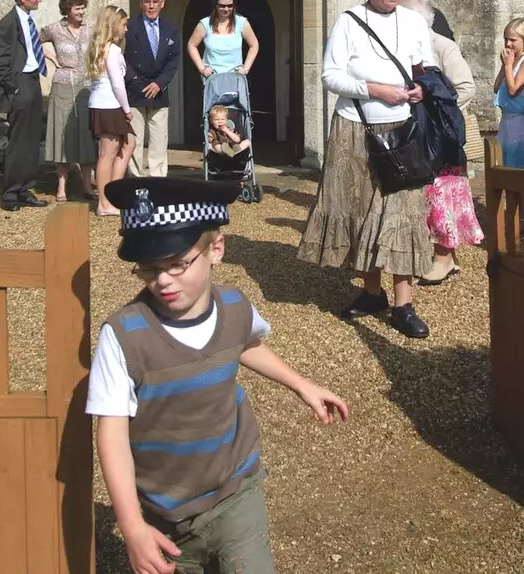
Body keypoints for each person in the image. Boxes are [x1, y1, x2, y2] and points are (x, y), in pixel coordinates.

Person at [89, 177, 349, 574]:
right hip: (164, 510)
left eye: (177, 263)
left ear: (216, 249)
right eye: (149, 269)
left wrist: (302, 385)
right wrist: (131, 525)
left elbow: (246, 343)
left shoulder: (235, 306)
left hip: (235, 489)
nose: (162, 280)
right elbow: (111, 431)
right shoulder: (123, 335)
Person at [297, 0, 437, 339]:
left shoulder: (413, 22)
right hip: (353, 129)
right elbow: (330, 75)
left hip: (402, 131)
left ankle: (404, 304)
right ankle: (372, 293)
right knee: (361, 212)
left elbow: (427, 70)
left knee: (402, 214)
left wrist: (421, 89)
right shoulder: (348, 22)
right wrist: (372, 89)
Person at [407, 0, 481, 286]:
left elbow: (466, 87)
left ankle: (444, 258)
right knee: (425, 195)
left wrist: (437, 111)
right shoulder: (408, 49)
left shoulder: (442, 46)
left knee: (442, 194)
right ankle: (436, 253)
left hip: (441, 137)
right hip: (417, 135)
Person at [0, 0, 49, 213]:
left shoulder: (29, 20)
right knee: (18, 140)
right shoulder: (8, 23)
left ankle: (25, 189)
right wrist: (13, 88)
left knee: (32, 138)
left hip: (32, 81)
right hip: (19, 83)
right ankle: (11, 192)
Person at [41, 0, 96, 202]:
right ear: (67, 9)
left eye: (83, 8)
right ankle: (61, 186)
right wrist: (51, 56)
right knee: (61, 136)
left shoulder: (91, 29)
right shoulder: (54, 29)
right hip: (62, 86)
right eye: (77, 8)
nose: (81, 12)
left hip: (86, 88)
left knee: (86, 136)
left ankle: (86, 185)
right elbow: (36, 39)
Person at [124, 0, 180, 178]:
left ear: (162, 4)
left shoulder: (171, 29)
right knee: (135, 140)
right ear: (141, 4)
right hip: (134, 90)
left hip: (159, 92)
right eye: (147, 1)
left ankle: (158, 180)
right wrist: (138, 82)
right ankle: (136, 180)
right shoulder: (129, 27)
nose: (151, 5)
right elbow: (122, 57)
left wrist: (159, 83)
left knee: (159, 140)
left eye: (155, 2)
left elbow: (173, 60)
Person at [87, 6, 136, 217]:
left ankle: (113, 196)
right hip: (110, 104)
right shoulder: (112, 50)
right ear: (114, 24)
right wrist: (127, 110)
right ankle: (104, 203)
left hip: (101, 103)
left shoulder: (100, 48)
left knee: (129, 142)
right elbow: (117, 84)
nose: (125, 29)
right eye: (123, 24)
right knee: (107, 154)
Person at [186, 0, 260, 78]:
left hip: (236, 77)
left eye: (230, 6)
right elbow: (191, 45)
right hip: (212, 78)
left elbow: (254, 45)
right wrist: (202, 68)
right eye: (222, 6)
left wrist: (246, 68)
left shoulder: (241, 23)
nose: (226, 9)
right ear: (215, 5)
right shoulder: (205, 24)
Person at [493, 17, 524, 168]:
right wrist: (503, 66)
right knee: (504, 164)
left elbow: (513, 90)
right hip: (506, 121)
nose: (508, 44)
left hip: (520, 122)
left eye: (513, 40)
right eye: (506, 39)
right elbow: (496, 88)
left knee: (518, 165)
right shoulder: (511, 60)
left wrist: (508, 66)